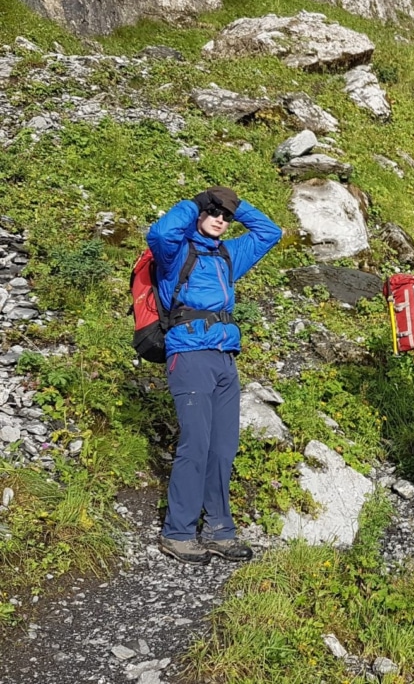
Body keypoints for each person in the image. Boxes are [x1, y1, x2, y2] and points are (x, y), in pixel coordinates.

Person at [147, 186, 282, 564]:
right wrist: (194, 203)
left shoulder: (227, 255)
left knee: (223, 447)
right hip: (188, 355)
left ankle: (220, 531)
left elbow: (270, 233)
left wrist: (240, 206)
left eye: (226, 215)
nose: (220, 219)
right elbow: (159, 233)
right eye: (214, 212)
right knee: (196, 443)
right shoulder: (176, 253)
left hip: (224, 357)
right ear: (199, 216)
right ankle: (178, 532)